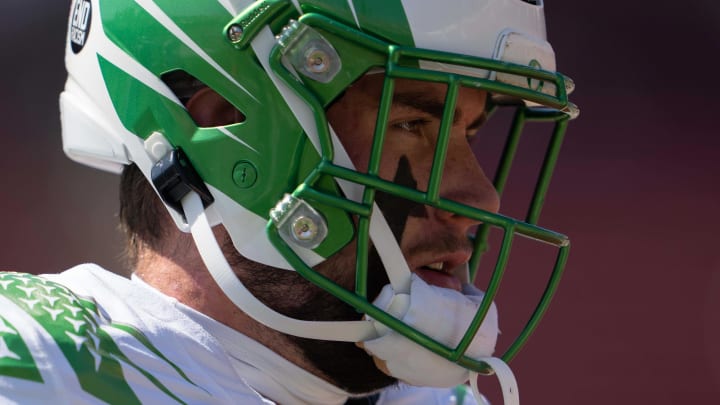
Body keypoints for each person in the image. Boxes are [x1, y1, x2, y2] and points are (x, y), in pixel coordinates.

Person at [0, 0, 578, 404]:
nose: (480, 193)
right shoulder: (37, 365)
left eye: (470, 134)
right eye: (410, 123)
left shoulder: (438, 398)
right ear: (229, 117)